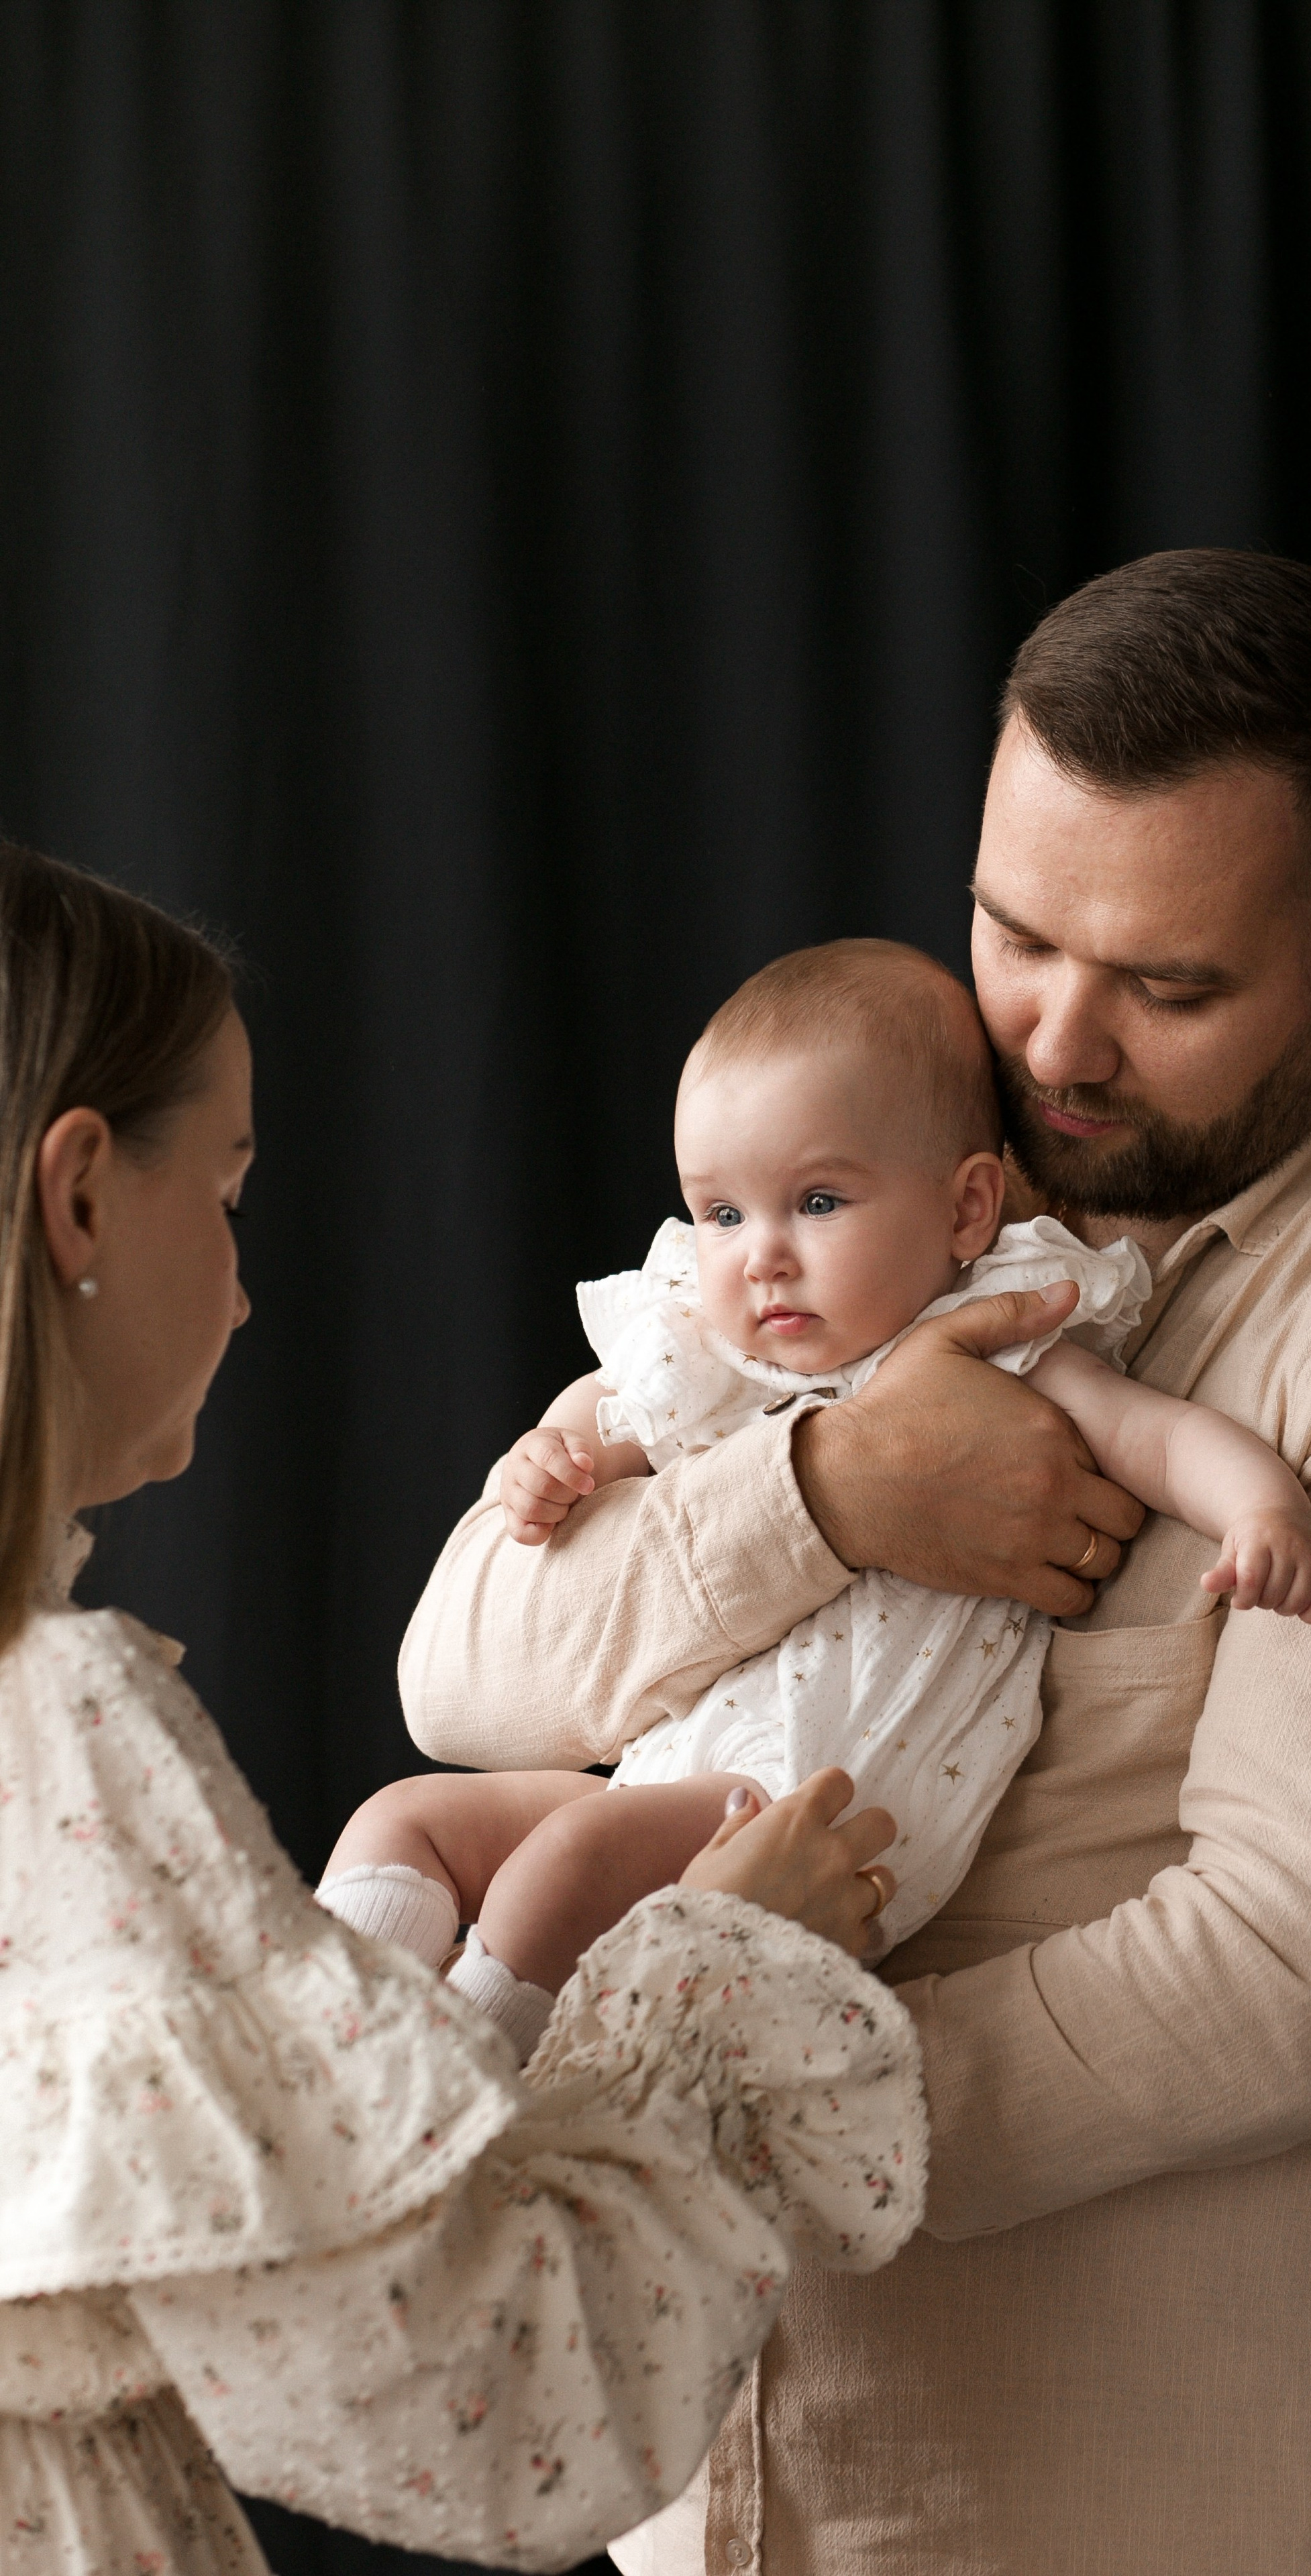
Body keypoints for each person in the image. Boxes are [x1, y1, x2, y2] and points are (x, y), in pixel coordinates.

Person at [400, 550, 1311, 2576]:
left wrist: (677, 2100)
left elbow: (1286, 1977)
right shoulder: (879, 1205)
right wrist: (830, 1493)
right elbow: (469, 1673)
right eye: (1014, 935)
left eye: (1170, 987)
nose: (1055, 1043)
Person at [0, 840, 927, 2576]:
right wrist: (709, 1974)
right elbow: (493, 2411)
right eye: (230, 1191)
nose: (249, 1279)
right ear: (77, 1203)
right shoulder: (50, 1730)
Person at [324, 939, 1311, 2030]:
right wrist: (550, 1459)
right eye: (721, 1214)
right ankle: (315, 2054)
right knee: (407, 1819)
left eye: (815, 1202)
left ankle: (437, 2096)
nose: (760, 1256)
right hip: (668, 1786)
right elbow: (599, 1424)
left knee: (566, 1863)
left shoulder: (1005, 1342)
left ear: (964, 1209)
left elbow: (1164, 1438)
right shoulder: (717, 1356)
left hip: (824, 1814)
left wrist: (1263, 1509)